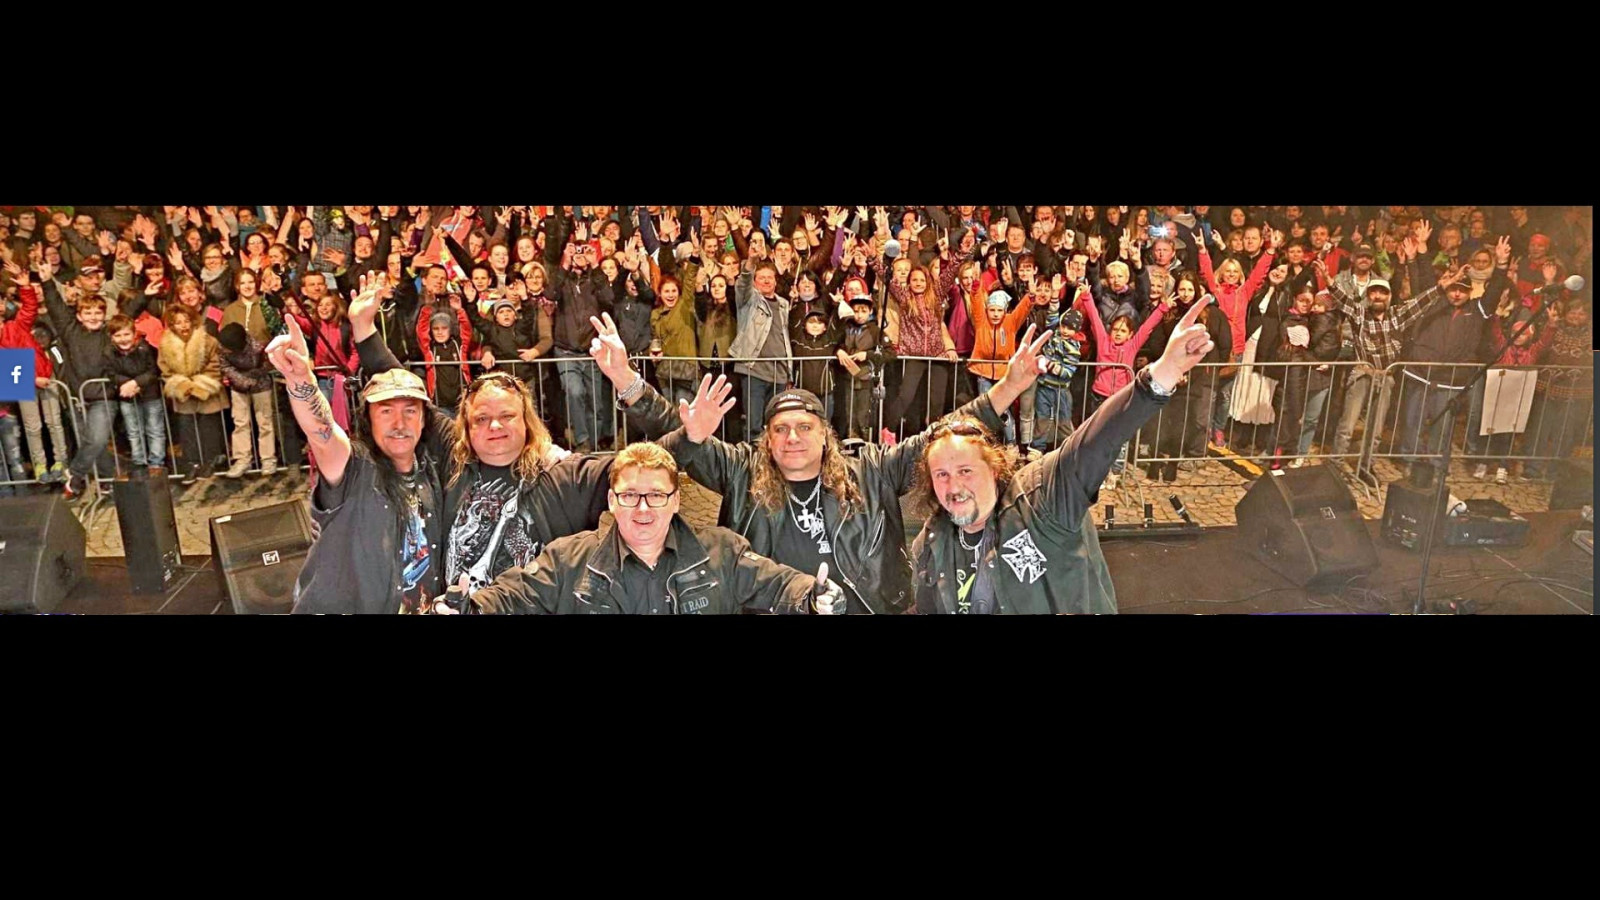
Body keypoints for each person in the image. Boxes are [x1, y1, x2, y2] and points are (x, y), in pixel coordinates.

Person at [655, 322, 1050, 614]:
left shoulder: (871, 469)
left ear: (825, 435)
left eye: (804, 427)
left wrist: (1009, 388)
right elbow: (661, 454)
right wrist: (637, 389)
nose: (792, 437)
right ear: (767, 441)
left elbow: (939, 434)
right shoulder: (739, 469)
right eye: (781, 429)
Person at [907, 296, 1219, 614]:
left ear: (994, 468)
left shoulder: (1042, 500)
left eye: (965, 470)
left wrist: (1163, 373)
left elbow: (1095, 442)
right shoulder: (931, 543)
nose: (954, 486)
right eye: (941, 474)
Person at [452, 442, 844, 615]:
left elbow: (780, 585)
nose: (642, 508)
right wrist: (468, 607)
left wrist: (815, 596)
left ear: (675, 500)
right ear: (611, 500)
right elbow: (513, 595)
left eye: (656, 495)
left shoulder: (722, 552)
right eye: (630, 495)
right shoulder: (568, 560)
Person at [217, 322, 278, 477]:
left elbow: (266, 366)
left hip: (261, 385)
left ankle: (268, 459)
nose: (225, 350)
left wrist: (252, 378)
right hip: (238, 387)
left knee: (265, 422)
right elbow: (225, 366)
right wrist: (242, 381)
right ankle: (242, 459)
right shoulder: (223, 346)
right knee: (240, 422)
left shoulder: (257, 347)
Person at [107, 314, 165, 475]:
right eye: (118, 335)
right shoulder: (109, 352)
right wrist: (126, 384)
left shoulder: (145, 348)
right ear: (111, 337)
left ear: (134, 334)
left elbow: (153, 370)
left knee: (155, 429)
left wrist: (136, 383)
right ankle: (139, 461)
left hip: (150, 394)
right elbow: (111, 373)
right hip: (126, 396)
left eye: (126, 334)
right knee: (133, 431)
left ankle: (156, 462)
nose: (123, 339)